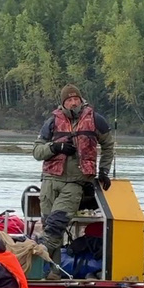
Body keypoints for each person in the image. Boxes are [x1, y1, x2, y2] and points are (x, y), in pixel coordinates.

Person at [31, 84, 116, 265]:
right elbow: (37, 152)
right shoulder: (52, 122)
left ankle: (36, 258)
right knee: (48, 225)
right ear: (63, 103)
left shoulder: (95, 120)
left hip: (76, 182)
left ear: (81, 100)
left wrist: (104, 171)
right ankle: (52, 272)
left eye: (75, 99)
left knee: (56, 224)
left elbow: (109, 146)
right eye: (69, 100)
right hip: (50, 180)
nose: (73, 103)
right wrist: (55, 147)